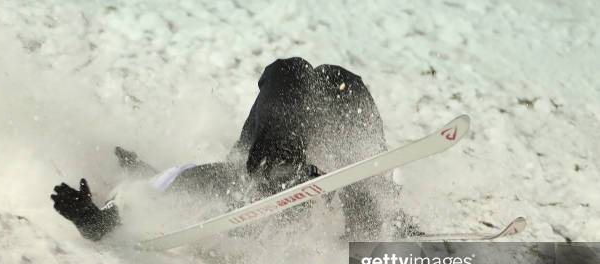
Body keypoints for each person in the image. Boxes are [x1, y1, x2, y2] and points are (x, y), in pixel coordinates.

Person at [51, 57, 387, 242]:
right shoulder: (227, 183)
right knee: (291, 71)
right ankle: (280, 163)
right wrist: (96, 219)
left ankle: (284, 162)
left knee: (337, 80)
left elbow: (392, 250)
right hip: (262, 184)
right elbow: (164, 186)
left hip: (310, 188)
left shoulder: (355, 187)